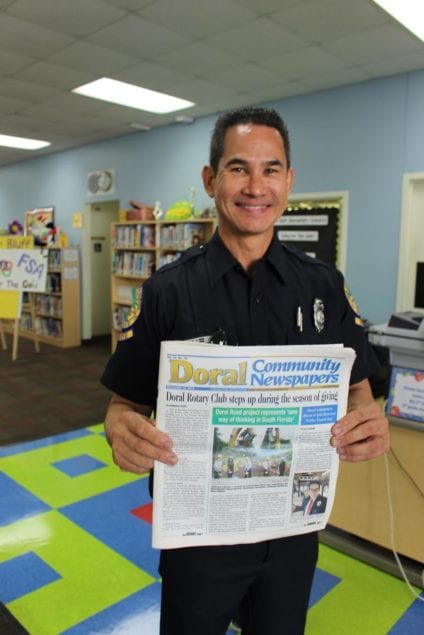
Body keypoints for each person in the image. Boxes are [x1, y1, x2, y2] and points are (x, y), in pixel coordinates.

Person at [101, 106, 389, 635]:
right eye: (238, 168)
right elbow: (123, 407)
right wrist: (119, 431)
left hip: (292, 532)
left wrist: (368, 418)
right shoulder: (167, 291)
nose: (256, 186)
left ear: (289, 180)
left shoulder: (323, 285)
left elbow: (359, 389)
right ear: (211, 180)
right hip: (198, 538)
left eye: (271, 169)